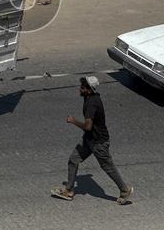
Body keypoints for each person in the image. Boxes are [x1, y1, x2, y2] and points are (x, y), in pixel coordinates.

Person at [52, 76, 134, 204]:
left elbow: (88, 127)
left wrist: (73, 121)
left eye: (83, 88)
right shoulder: (89, 97)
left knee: (107, 166)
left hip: (98, 142)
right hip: (89, 139)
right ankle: (68, 190)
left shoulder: (92, 103)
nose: (80, 89)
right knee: (73, 160)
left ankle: (125, 190)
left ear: (89, 90)